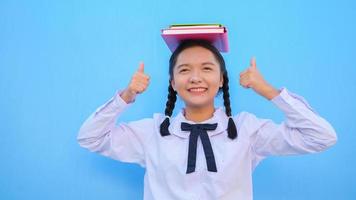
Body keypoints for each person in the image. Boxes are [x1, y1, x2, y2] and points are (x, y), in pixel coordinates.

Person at [77, 39, 337, 200]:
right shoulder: (152, 132)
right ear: (173, 83)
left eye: (207, 68)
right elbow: (90, 137)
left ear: (222, 79)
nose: (195, 78)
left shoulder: (247, 130)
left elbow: (321, 137)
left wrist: (268, 90)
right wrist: (126, 95)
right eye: (185, 70)